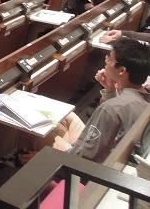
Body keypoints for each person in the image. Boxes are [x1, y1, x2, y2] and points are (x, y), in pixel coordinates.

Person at [19, 38, 150, 164]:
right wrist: (110, 91)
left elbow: (84, 159)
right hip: (95, 150)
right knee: (64, 117)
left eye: (109, 58)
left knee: (29, 128)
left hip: (79, 165)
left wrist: (46, 158)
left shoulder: (110, 109)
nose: (106, 60)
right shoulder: (144, 97)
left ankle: (30, 170)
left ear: (122, 71)